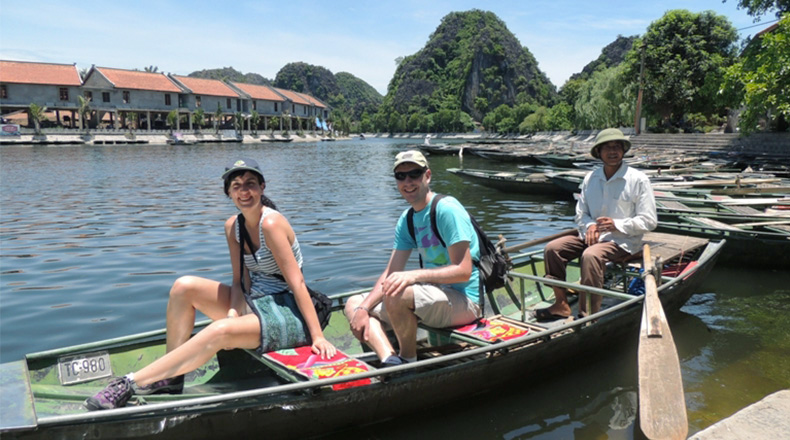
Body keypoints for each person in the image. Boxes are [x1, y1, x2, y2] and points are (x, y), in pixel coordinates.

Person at [84, 158, 336, 410]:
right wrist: (232, 313)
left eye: (250, 184)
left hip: (287, 310)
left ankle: (127, 383)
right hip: (255, 301)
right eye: (236, 185)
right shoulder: (233, 226)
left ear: (262, 187)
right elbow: (239, 282)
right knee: (184, 287)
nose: (244, 191)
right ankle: (172, 376)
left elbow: (298, 282)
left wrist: (317, 336)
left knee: (219, 332)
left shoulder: (270, 224)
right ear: (228, 192)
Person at [344, 150, 480, 366]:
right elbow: (391, 273)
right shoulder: (407, 219)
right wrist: (364, 309)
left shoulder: (447, 210)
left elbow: (463, 271)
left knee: (398, 293)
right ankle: (390, 360)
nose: (407, 182)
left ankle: (409, 360)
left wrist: (413, 276)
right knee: (353, 303)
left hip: (465, 301)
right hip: (434, 296)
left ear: (427, 175)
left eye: (414, 174)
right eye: (400, 176)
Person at [535, 129, 657, 321]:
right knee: (553, 249)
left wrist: (616, 224)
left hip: (622, 241)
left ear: (623, 151)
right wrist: (590, 225)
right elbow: (581, 214)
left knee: (591, 256)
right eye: (607, 147)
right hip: (592, 237)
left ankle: (588, 315)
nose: (613, 151)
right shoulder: (590, 179)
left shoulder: (638, 179)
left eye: (617, 147)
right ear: (598, 152)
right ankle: (561, 304)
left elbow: (649, 221)